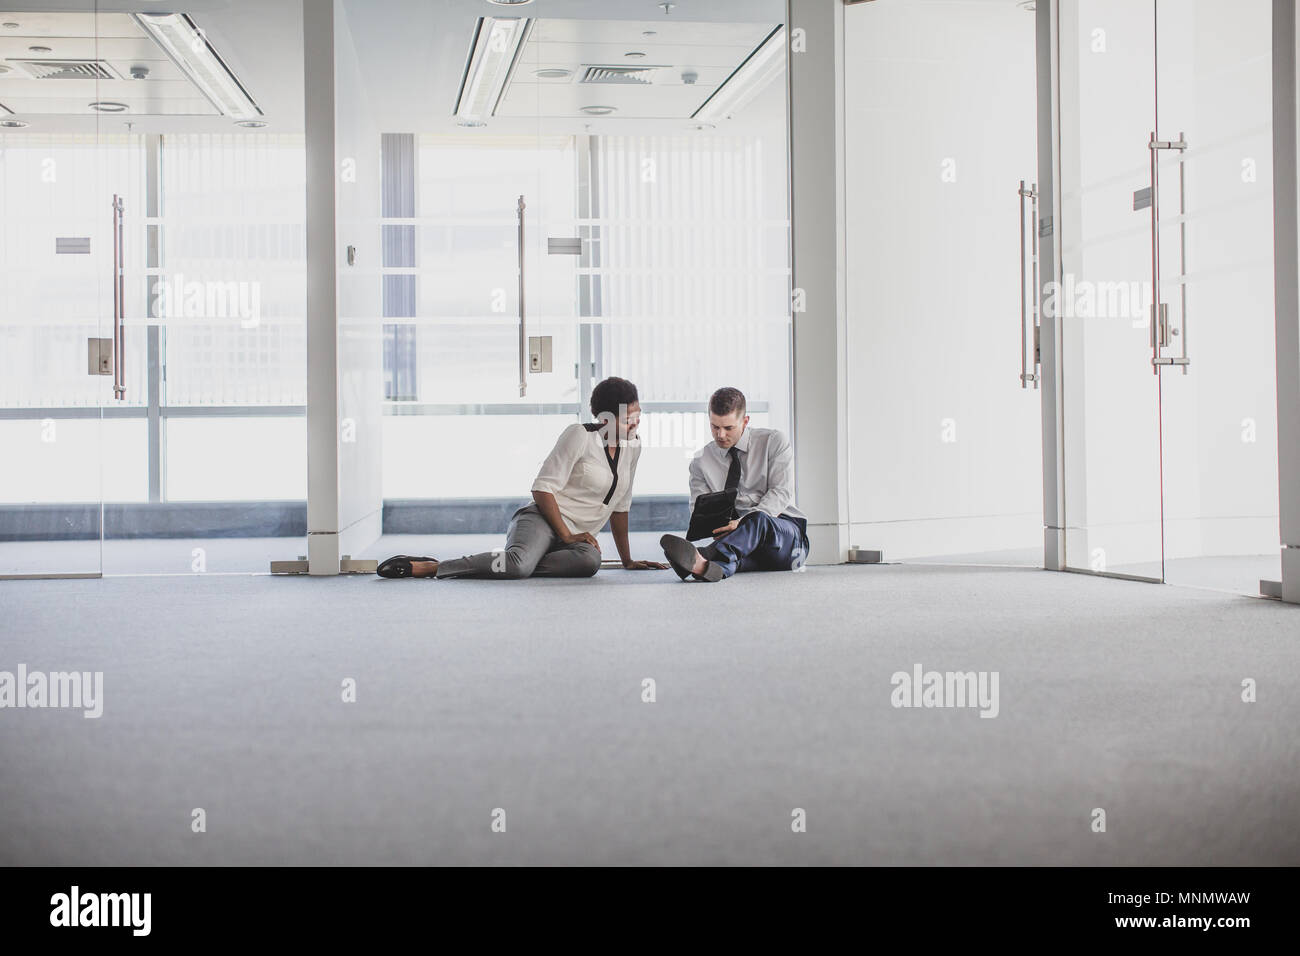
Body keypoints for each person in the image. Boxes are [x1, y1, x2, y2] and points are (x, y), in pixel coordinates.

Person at [377, 376, 668, 580]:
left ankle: (524, 559)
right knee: (516, 567)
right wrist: (565, 534)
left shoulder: (633, 446)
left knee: (590, 562)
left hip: (576, 541)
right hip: (543, 520)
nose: (636, 423)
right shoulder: (579, 435)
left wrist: (628, 560)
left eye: (637, 415)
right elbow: (542, 489)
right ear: (605, 419)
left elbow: (620, 506)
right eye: (628, 417)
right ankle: (432, 567)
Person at [659, 386, 809, 583]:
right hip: (743, 545)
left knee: (758, 519)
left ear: (745, 421)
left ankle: (704, 555)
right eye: (714, 426)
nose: (720, 434)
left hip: (785, 539)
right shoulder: (700, 462)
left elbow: (781, 492)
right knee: (732, 558)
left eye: (728, 428)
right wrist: (716, 526)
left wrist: (742, 523)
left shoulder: (773, 442)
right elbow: (700, 509)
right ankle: (708, 566)